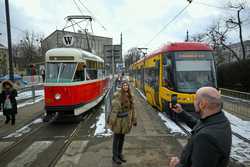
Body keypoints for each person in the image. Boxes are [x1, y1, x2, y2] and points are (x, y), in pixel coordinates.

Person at [169, 87, 232, 167]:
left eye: (195, 99)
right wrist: (181, 112)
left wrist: (176, 165)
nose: (193, 102)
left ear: (202, 104)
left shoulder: (205, 138)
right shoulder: (220, 120)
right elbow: (199, 125)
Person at [108, 81, 137, 165]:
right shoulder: (118, 96)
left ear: (128, 87)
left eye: (126, 85)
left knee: (122, 138)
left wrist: (134, 120)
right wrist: (111, 122)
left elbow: (133, 109)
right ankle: (115, 156)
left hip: (126, 121)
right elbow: (114, 110)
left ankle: (120, 154)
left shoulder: (130, 96)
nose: (125, 87)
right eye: (124, 85)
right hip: (118, 121)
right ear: (122, 87)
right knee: (116, 139)